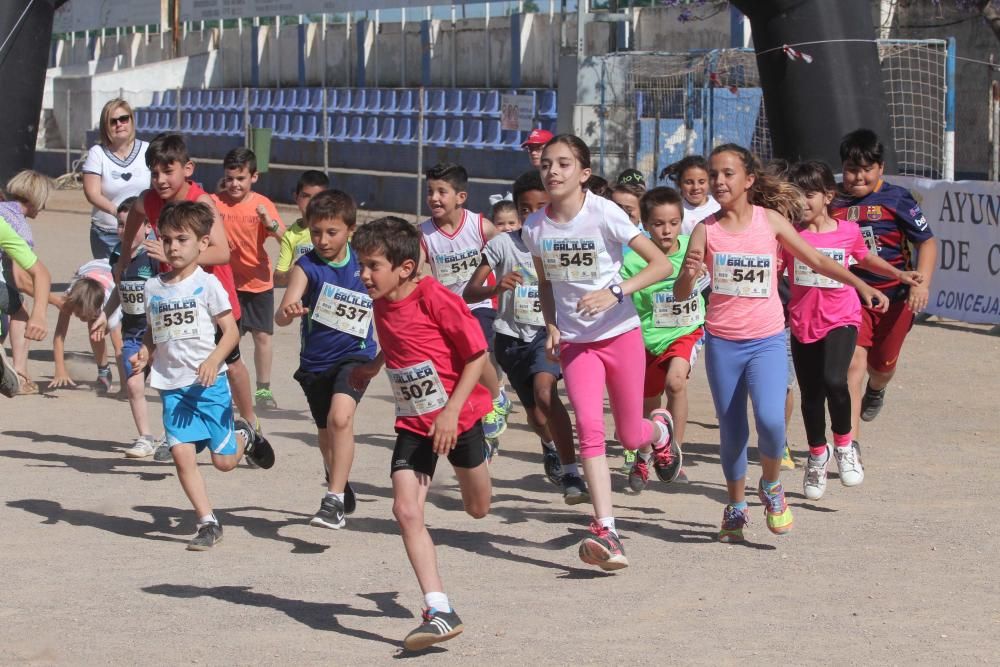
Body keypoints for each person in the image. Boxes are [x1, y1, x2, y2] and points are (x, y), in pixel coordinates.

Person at [673, 144, 888, 543]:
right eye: (714, 174)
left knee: (771, 422)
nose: (719, 181)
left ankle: (770, 486)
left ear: (749, 180)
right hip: (723, 342)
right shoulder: (706, 229)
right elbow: (682, 291)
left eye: (727, 174)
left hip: (768, 340)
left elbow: (818, 260)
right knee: (733, 429)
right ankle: (736, 505)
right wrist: (688, 275)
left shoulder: (770, 221)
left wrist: (859, 284)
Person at [523, 134, 675, 571]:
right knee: (590, 428)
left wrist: (615, 291)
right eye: (547, 164)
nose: (552, 171)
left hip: (620, 334)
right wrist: (551, 325)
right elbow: (547, 282)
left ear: (584, 174)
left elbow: (660, 265)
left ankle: (659, 435)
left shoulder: (604, 213)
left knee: (630, 436)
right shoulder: (535, 227)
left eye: (564, 164)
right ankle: (606, 528)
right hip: (575, 344)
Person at [350, 216, 492, 650]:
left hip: (458, 417)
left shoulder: (436, 297)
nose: (364, 275)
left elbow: (475, 354)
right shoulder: (379, 301)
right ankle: (439, 608)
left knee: (478, 508)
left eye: (373, 265)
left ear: (405, 268)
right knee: (405, 509)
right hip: (413, 420)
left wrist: (451, 412)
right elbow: (396, 343)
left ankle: (484, 450)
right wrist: (374, 366)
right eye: (362, 265)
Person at [128, 201, 274, 550]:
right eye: (167, 240)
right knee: (181, 454)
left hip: (208, 385)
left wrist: (214, 360)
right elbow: (154, 330)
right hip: (172, 385)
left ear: (203, 243)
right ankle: (208, 522)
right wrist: (146, 351)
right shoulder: (153, 288)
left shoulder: (208, 285)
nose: (173, 247)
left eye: (182, 239)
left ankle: (246, 436)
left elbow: (231, 332)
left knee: (223, 462)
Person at [114, 133, 263, 451]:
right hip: (173, 297)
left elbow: (222, 252)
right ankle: (178, 434)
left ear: (188, 168)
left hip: (211, 297)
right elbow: (136, 216)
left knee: (231, 364)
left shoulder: (201, 202)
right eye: (154, 173)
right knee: (171, 359)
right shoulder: (149, 199)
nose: (160, 179)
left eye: (168, 171)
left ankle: (251, 425)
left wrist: (171, 256)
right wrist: (126, 254)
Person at [785, 161, 923, 500]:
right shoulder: (788, 234)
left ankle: (844, 445)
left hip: (842, 316)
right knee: (812, 394)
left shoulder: (847, 231)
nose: (803, 202)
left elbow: (865, 258)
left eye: (810, 195)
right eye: (797, 195)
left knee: (836, 379)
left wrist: (899, 273)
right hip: (804, 321)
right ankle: (818, 454)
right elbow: (770, 262)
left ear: (828, 196)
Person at [464, 170, 587, 503]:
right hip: (509, 338)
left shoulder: (561, 244)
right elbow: (470, 291)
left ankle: (572, 472)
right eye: (525, 208)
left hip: (546, 336)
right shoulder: (502, 244)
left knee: (546, 393)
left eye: (541, 206)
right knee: (535, 412)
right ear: (517, 211)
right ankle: (549, 446)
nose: (532, 214)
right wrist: (496, 286)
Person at [274, 190, 375, 529]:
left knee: (340, 419)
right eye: (316, 232)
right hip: (316, 364)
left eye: (332, 232)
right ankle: (337, 477)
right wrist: (289, 311)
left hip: (355, 355)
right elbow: (283, 313)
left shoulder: (364, 261)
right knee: (325, 432)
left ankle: (331, 502)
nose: (323, 239)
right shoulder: (307, 266)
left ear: (350, 230)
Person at [831, 129, 937, 439]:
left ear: (881, 168)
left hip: (895, 297)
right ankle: (850, 446)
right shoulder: (832, 199)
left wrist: (921, 283)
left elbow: (927, 242)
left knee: (881, 368)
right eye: (852, 169)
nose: (858, 177)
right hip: (852, 295)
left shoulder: (897, 198)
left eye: (866, 169)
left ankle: (876, 390)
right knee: (854, 364)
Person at [419, 162, 510, 442]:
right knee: (459, 364)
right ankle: (479, 409)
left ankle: (497, 400)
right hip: (448, 310)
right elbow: (416, 271)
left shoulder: (481, 227)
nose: (434, 197)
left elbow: (508, 251)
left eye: (441, 191)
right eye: (430, 191)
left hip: (480, 304)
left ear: (461, 197)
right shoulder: (423, 234)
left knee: (477, 350)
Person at [619, 186, 699, 491]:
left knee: (676, 383)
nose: (666, 230)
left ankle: (672, 452)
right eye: (658, 224)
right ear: (645, 224)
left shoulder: (694, 250)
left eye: (673, 223)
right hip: (646, 338)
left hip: (685, 332)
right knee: (648, 402)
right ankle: (643, 454)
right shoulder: (633, 262)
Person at [212, 147, 286, 410]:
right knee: (222, 338)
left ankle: (263, 390)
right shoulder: (213, 202)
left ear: (254, 177)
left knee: (262, 336)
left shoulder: (262, 205)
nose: (234, 184)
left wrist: (269, 222)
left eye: (241, 178)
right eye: (230, 178)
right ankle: (221, 388)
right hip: (223, 284)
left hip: (257, 283)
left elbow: (284, 238)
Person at [95, 197, 163, 457]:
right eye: (120, 225)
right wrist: (105, 314)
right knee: (134, 385)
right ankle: (145, 438)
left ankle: (173, 437)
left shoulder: (156, 256)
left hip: (160, 333)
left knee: (167, 386)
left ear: (148, 227)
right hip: (132, 334)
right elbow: (118, 291)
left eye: (130, 225)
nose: (123, 230)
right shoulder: (116, 255)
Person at [0, 170, 52, 393]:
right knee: (20, 307)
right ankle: (20, 373)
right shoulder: (17, 226)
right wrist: (46, 308)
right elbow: (22, 279)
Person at [82, 98, 151, 260]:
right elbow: (92, 194)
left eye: (124, 119)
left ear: (131, 121)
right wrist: (120, 214)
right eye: (113, 122)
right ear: (106, 127)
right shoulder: (97, 153)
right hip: (108, 233)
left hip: (143, 233)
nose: (119, 124)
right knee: (111, 280)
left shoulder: (147, 150)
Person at [49, 258, 123, 393]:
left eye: (84, 315)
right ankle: (104, 371)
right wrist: (60, 370)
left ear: (98, 310)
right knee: (94, 329)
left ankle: (105, 373)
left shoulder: (110, 306)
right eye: (77, 312)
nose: (80, 317)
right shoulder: (69, 299)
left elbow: (119, 348)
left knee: (100, 328)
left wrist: (125, 386)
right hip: (90, 270)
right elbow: (59, 334)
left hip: (115, 275)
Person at [274, 170, 329, 288]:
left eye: (318, 197)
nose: (312, 202)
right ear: (296, 197)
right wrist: (295, 271)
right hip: (304, 303)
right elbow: (278, 278)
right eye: (306, 196)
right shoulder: (290, 235)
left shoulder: (339, 228)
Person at [662, 155, 720, 236]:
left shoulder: (719, 206)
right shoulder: (675, 209)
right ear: (679, 184)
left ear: (709, 182)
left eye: (701, 182)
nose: (696, 187)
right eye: (689, 182)